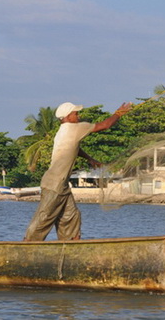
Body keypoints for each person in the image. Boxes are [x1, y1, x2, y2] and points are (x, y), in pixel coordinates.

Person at [24, 101, 133, 241]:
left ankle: (70, 244)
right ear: (68, 116)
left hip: (61, 185)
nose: (78, 116)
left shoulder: (63, 131)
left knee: (71, 216)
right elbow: (106, 125)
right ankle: (27, 244)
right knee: (44, 218)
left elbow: (74, 148)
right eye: (76, 113)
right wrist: (119, 113)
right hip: (54, 184)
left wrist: (90, 159)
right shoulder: (75, 128)